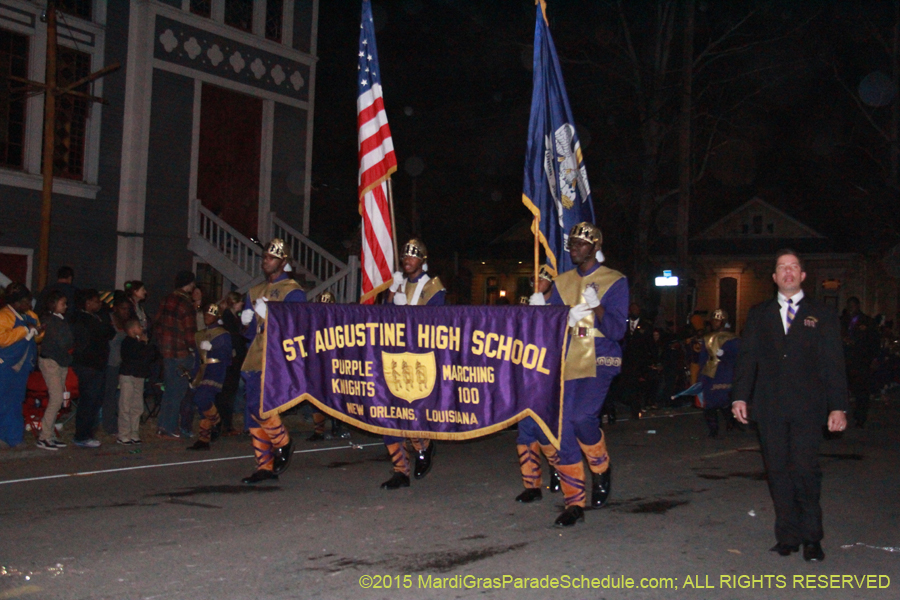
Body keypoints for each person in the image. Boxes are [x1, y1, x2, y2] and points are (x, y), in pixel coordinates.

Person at [732, 249, 848, 562]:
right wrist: (739, 396)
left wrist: (838, 407)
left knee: (805, 471)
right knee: (778, 471)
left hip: (808, 408)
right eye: (782, 268)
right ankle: (787, 536)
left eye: (794, 267)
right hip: (769, 408)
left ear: (802, 275)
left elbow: (834, 363)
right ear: (774, 277)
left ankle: (812, 538)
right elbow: (748, 360)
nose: (788, 272)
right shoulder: (759, 314)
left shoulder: (821, 314)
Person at [527, 222, 628, 526]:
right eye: (571, 243)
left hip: (599, 357)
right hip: (568, 359)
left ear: (595, 246)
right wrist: (541, 309)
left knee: (582, 418)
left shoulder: (615, 281)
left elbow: (616, 330)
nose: (573, 248)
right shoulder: (561, 282)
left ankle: (600, 468)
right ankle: (574, 503)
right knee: (562, 429)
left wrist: (596, 308)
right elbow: (549, 328)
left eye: (580, 244)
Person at [379, 239, 446, 490]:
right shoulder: (398, 284)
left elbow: (435, 326)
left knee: (413, 413)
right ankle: (399, 470)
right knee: (388, 414)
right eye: (405, 256)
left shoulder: (433, 288)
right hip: (394, 357)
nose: (407, 259)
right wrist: (392, 294)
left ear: (423, 260)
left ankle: (423, 448)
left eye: (413, 256)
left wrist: (407, 311)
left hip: (419, 360)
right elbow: (383, 320)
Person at [240, 239, 306, 484]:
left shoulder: (293, 291)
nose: (266, 261)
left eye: (272, 258)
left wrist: (272, 318)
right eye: (265, 257)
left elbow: (297, 327)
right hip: (255, 354)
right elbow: (249, 333)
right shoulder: (255, 291)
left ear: (283, 262)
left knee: (261, 407)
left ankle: (283, 442)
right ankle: (264, 467)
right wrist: (246, 322)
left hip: (276, 356)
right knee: (251, 414)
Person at [515, 265, 562, 503]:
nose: (535, 282)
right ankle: (531, 485)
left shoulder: (559, 305)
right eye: (533, 278)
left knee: (544, 429)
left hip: (549, 375)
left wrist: (543, 313)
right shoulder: (526, 302)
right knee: (525, 431)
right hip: (525, 374)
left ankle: (556, 468)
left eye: (540, 278)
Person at [152, 271, 197, 439]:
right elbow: (190, 333)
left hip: (167, 352)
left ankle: (162, 426)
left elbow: (157, 323)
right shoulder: (186, 303)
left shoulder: (166, 299)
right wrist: (194, 349)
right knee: (178, 391)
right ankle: (170, 427)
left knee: (169, 390)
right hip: (181, 352)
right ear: (189, 284)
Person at [71, 289, 116, 448]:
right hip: (88, 365)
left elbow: (110, 332)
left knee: (95, 400)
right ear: (88, 302)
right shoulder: (83, 319)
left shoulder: (94, 317)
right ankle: (82, 435)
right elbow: (105, 331)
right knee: (89, 400)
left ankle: (88, 433)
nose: (100, 304)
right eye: (97, 301)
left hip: (97, 364)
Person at [0, 284, 41, 448]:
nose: (29, 305)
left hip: (22, 365)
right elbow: (2, 339)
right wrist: (24, 330)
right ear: (16, 303)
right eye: (26, 302)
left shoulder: (30, 315)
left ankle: (14, 437)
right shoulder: (4, 316)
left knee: (16, 401)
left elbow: (37, 338)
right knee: (3, 400)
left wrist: (38, 332)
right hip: (5, 365)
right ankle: (5, 437)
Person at [186, 304, 231, 451]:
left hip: (215, 370)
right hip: (202, 371)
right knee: (201, 406)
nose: (207, 318)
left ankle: (216, 421)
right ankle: (203, 439)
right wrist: (194, 377)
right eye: (205, 315)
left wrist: (212, 350)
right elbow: (198, 359)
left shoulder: (222, 334)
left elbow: (227, 356)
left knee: (202, 398)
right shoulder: (199, 334)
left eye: (210, 315)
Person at [307, 290, 347, 441]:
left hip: (333, 364)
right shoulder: (312, 321)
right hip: (317, 364)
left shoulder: (340, 320)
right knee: (315, 396)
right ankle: (319, 430)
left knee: (335, 396)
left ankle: (337, 426)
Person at [35, 291, 72, 450]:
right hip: (51, 361)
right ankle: (44, 436)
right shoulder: (49, 321)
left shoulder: (60, 320)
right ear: (53, 304)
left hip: (61, 361)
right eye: (62, 303)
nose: (66, 306)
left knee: (58, 399)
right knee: (56, 398)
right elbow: (63, 341)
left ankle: (49, 434)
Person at [697, 309, 740, 438]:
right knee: (709, 403)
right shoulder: (707, 338)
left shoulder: (733, 339)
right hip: (710, 374)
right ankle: (713, 429)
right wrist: (700, 377)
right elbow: (703, 358)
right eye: (714, 320)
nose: (716, 323)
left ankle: (730, 421)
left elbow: (738, 357)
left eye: (718, 320)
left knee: (724, 401)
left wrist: (725, 355)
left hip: (725, 372)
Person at [840, 297, 878, 427]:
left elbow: (874, 341)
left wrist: (874, 358)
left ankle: (860, 417)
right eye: (849, 306)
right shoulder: (842, 321)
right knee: (842, 390)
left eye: (853, 306)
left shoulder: (867, 322)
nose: (851, 309)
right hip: (845, 360)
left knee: (861, 391)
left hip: (861, 361)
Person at [118, 319, 157, 445]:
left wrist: (145, 344)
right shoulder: (127, 342)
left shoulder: (139, 343)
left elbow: (150, 356)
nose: (142, 329)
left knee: (137, 406)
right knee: (125, 405)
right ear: (132, 329)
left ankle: (134, 432)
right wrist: (144, 344)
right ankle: (124, 434)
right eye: (139, 327)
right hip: (128, 376)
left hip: (139, 377)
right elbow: (137, 355)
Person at [214, 291, 246, 437]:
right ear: (235, 302)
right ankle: (224, 425)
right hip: (230, 360)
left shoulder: (232, 317)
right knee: (227, 393)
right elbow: (233, 338)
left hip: (233, 359)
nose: (242, 304)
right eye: (240, 302)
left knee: (228, 393)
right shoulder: (228, 317)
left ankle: (224, 424)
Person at [102, 295, 132, 436]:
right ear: (115, 308)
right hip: (110, 363)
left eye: (128, 309)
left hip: (123, 363)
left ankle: (121, 423)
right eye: (123, 309)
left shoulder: (127, 323)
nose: (126, 312)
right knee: (110, 395)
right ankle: (109, 425)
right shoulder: (109, 320)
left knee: (121, 396)